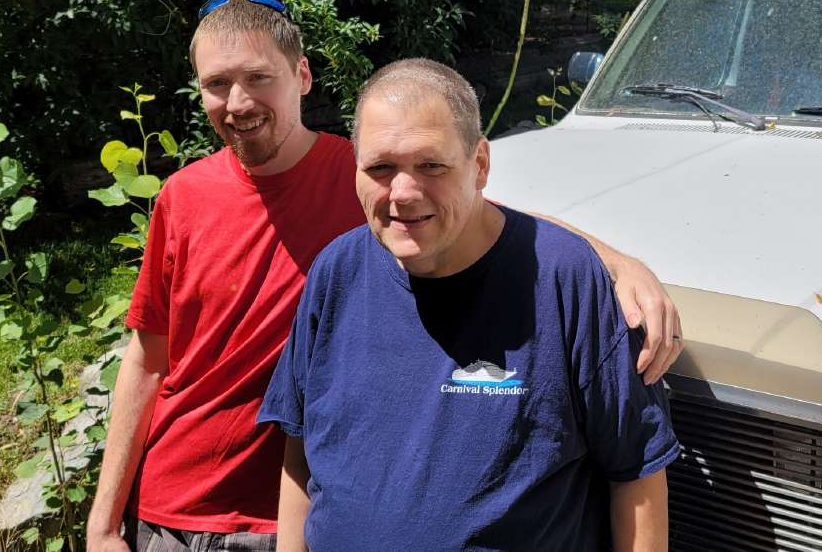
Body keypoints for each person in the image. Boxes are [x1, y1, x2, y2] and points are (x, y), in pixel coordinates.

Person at [85, 0, 683, 552]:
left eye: (258, 78)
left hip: (267, 520)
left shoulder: (360, 173)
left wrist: (614, 262)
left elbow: (476, 213)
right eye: (217, 83)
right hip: (171, 505)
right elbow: (148, 357)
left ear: (301, 77)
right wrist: (104, 520)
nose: (238, 102)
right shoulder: (188, 197)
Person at [259, 59, 678, 551]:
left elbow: (637, 474)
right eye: (380, 167)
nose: (403, 193)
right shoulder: (337, 272)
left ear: (479, 165)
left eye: (430, 165)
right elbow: (301, 451)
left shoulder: (564, 280)